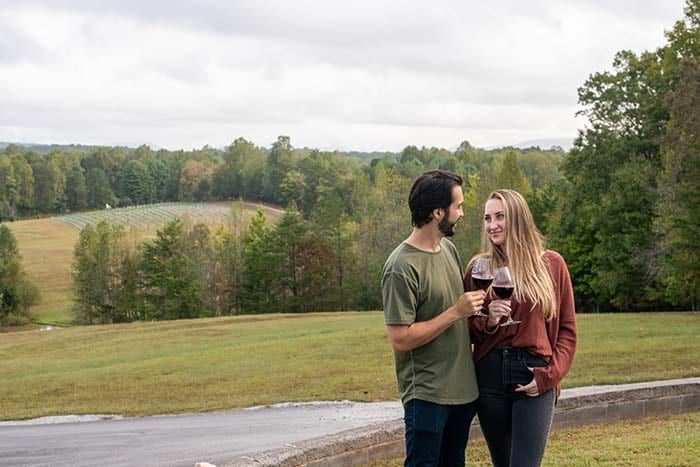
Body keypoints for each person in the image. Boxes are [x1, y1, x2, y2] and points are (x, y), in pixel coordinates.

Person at [466, 189, 577, 467]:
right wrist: (488, 321)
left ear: (517, 218)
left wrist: (548, 377)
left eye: (500, 216)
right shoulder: (479, 268)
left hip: (532, 373)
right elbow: (466, 329)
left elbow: (567, 331)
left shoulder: (551, 265)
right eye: (487, 218)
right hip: (488, 377)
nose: (492, 225)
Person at [382, 169, 486, 466]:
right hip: (427, 396)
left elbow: (464, 319)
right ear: (438, 212)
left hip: (463, 394)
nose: (462, 213)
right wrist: (455, 312)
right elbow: (400, 339)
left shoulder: (449, 250)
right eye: (459, 206)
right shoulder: (400, 267)